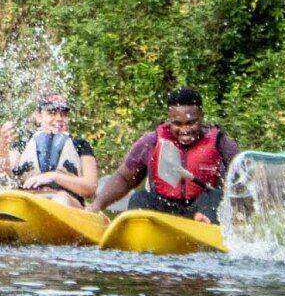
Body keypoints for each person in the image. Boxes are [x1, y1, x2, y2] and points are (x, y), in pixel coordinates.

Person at [89, 88, 239, 224]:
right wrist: (96, 205)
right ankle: (138, 229)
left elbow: (244, 179)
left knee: (216, 197)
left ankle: (203, 224)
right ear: (169, 119)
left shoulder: (221, 143)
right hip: (163, 207)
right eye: (177, 124)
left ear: (201, 117)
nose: (184, 130)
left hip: (201, 206)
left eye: (191, 123)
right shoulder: (151, 141)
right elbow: (124, 178)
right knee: (139, 198)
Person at [0, 92, 97, 206]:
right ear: (38, 116)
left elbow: (90, 188)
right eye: (52, 113)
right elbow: (3, 172)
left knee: (61, 198)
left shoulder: (81, 146)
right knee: (8, 197)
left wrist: (54, 176)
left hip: (68, 203)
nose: (59, 118)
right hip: (30, 201)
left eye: (63, 114)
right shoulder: (23, 146)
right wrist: (3, 143)